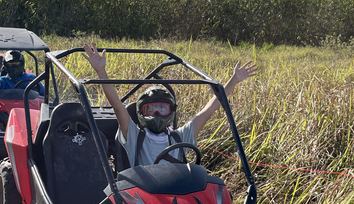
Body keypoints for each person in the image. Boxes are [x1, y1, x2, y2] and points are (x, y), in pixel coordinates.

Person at [82, 42, 257, 167]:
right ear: (141, 113)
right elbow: (118, 106)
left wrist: (233, 81)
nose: (157, 114)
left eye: (162, 108)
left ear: (171, 112)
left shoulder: (180, 137)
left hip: (176, 198)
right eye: (151, 109)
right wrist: (101, 71)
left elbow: (209, 109)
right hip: (144, 200)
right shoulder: (135, 136)